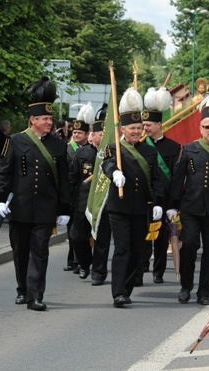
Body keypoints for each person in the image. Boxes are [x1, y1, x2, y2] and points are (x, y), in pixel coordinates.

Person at [0, 76, 71, 311]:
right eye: (45, 119)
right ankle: (22, 289)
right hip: (21, 208)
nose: (49, 123)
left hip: (46, 208)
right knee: (21, 251)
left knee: (40, 252)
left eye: (51, 118)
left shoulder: (59, 145)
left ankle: (35, 295)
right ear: (32, 120)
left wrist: (65, 209)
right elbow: (3, 173)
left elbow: (64, 181)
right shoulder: (15, 141)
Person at [101, 88, 168, 307]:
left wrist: (159, 203)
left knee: (138, 251)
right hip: (119, 208)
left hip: (141, 208)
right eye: (133, 128)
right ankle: (118, 292)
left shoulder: (149, 151)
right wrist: (115, 173)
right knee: (122, 249)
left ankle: (127, 289)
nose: (137, 132)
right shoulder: (115, 148)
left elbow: (158, 179)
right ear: (123, 129)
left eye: (140, 128)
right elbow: (106, 164)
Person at [168, 105, 209, 305]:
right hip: (191, 207)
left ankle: (204, 292)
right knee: (189, 245)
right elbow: (178, 179)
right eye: (207, 126)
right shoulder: (188, 149)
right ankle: (185, 287)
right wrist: (173, 204)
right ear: (200, 128)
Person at [140, 109, 181, 284]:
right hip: (144, 197)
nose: (145, 128)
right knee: (142, 236)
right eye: (143, 125)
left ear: (159, 125)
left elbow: (176, 178)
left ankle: (159, 271)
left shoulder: (173, 147)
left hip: (164, 199)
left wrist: (173, 204)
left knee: (162, 238)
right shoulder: (140, 145)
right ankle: (141, 268)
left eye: (148, 125)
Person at [68, 103, 96, 280]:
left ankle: (97, 269)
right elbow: (72, 178)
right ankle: (83, 262)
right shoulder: (81, 153)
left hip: (102, 203)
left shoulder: (112, 153)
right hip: (81, 201)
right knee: (77, 236)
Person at [89, 106, 113, 286]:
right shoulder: (104, 148)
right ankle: (98, 271)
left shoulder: (128, 145)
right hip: (105, 198)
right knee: (102, 239)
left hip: (125, 199)